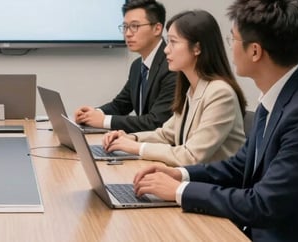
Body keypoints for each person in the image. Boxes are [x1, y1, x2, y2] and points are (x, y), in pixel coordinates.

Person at [133, 0, 298, 241]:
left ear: (255, 51)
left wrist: (180, 191)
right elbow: (240, 166)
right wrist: (181, 175)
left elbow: (263, 204)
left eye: (234, 40)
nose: (230, 49)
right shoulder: (277, 96)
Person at [102, 10, 246, 166]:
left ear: (197, 48)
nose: (166, 49)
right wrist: (132, 138)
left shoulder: (220, 93)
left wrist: (137, 147)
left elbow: (190, 156)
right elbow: (166, 134)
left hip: (214, 186)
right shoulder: (192, 88)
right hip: (193, 180)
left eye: (173, 42)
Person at [74, 0, 177, 132]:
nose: (127, 34)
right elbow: (120, 105)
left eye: (135, 26)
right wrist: (92, 114)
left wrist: (104, 120)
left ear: (157, 29)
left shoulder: (172, 66)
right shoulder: (137, 66)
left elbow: (156, 121)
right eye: (125, 27)